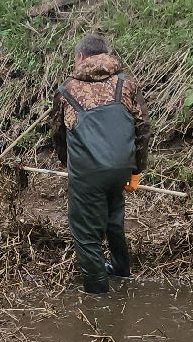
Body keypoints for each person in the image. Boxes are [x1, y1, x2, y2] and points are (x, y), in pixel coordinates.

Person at [52, 34, 147, 295]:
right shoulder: (126, 84)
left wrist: (67, 165)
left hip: (88, 172)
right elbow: (142, 127)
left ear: (81, 57)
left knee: (85, 234)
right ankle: (121, 270)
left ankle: (98, 296)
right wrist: (136, 170)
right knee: (113, 219)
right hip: (120, 167)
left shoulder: (67, 90)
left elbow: (59, 135)